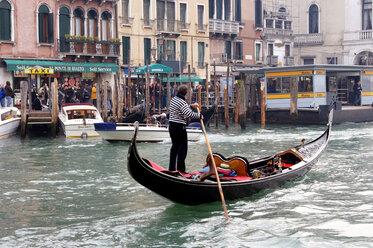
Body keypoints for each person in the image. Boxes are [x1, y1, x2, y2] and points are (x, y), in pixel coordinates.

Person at [168, 85, 202, 173]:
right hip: (179, 127)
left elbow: (181, 108)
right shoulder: (182, 102)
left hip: (172, 126)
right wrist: (200, 116)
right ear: (186, 93)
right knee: (182, 149)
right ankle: (181, 170)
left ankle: (171, 169)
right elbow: (189, 114)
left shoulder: (174, 99)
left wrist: (191, 105)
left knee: (174, 147)